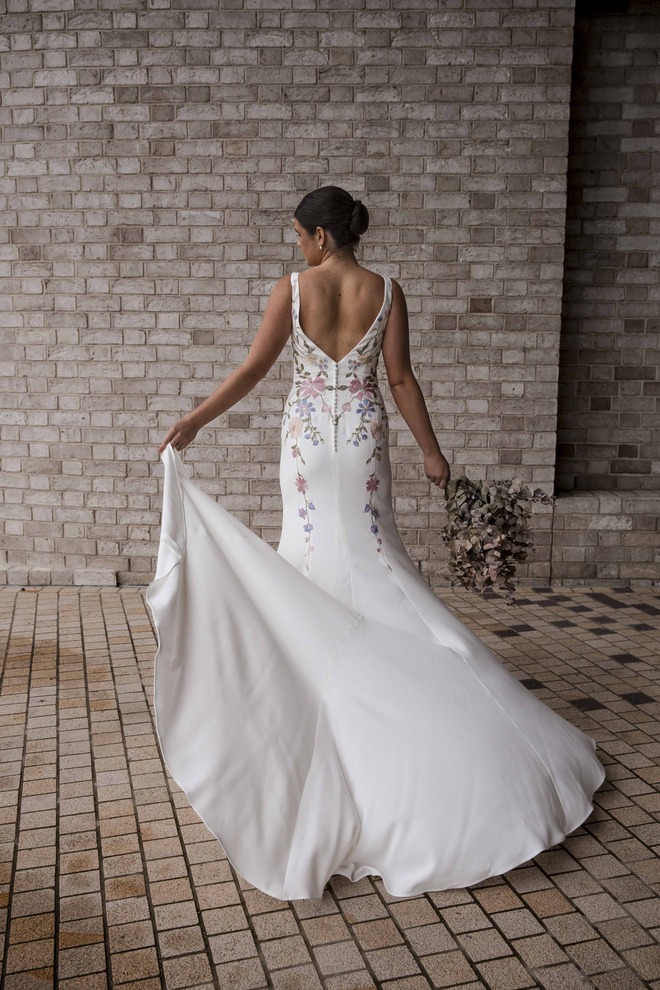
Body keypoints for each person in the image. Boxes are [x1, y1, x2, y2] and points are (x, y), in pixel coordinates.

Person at [148, 185, 606, 902]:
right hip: (363, 442)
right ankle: (410, 676)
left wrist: (196, 420)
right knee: (377, 560)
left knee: (306, 556)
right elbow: (400, 379)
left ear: (321, 237)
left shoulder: (291, 290)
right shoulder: (387, 290)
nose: (297, 244)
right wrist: (433, 452)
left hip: (306, 447)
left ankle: (315, 695)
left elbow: (254, 370)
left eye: (299, 234)